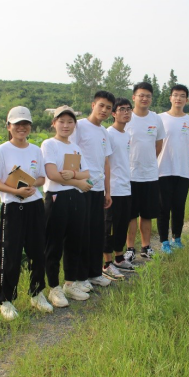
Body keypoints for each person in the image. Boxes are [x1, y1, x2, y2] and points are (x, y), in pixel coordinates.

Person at [0, 106, 53, 321]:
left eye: (25, 124)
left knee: (38, 253)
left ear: (30, 126)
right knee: (10, 255)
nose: (21, 128)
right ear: (9, 126)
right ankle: (6, 300)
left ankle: (37, 293)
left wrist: (31, 184)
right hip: (13, 207)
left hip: (35, 206)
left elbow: (42, 177)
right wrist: (16, 191)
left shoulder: (35, 150)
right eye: (17, 124)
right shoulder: (1, 151)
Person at [41, 106, 95, 307]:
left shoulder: (75, 147)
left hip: (76, 198)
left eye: (70, 122)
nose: (66, 125)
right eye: (61, 121)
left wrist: (73, 175)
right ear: (54, 123)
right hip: (57, 197)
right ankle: (53, 288)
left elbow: (86, 172)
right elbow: (52, 174)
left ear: (74, 125)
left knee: (74, 241)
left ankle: (70, 284)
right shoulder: (49, 144)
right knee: (54, 243)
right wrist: (78, 182)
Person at [72, 91, 120, 283]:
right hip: (81, 188)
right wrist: (75, 181)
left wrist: (108, 191)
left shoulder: (104, 132)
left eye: (108, 107)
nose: (104, 110)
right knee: (82, 233)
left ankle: (95, 273)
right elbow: (71, 154)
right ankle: (80, 277)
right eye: (101, 105)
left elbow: (106, 163)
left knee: (96, 233)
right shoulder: (79, 126)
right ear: (93, 105)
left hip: (99, 189)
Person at [125, 82, 166, 259]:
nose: (144, 98)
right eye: (141, 95)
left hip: (150, 175)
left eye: (148, 96)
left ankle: (146, 247)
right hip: (129, 175)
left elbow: (159, 145)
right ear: (134, 97)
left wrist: (148, 161)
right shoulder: (127, 117)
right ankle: (130, 249)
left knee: (147, 214)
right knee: (131, 215)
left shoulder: (156, 119)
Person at [157, 84, 189, 253]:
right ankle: (164, 242)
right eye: (175, 95)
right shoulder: (159, 118)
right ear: (170, 98)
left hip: (182, 171)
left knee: (179, 207)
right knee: (163, 208)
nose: (178, 98)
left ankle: (177, 239)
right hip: (162, 170)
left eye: (182, 96)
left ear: (186, 100)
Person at [104, 98, 136, 272]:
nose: (126, 112)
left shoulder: (126, 134)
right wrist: (107, 190)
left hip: (125, 187)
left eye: (128, 109)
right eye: (122, 109)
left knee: (122, 225)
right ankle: (107, 263)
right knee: (109, 227)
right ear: (113, 113)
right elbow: (105, 162)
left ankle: (119, 258)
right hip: (112, 188)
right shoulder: (108, 134)